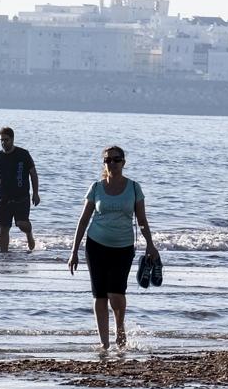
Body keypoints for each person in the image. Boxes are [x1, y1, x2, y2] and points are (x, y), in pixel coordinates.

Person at [67, 146, 159, 350]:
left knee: (116, 293)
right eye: (108, 160)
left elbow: (142, 220)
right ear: (104, 163)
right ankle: (104, 342)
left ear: (123, 162)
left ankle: (119, 328)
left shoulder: (134, 188)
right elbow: (83, 221)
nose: (112, 164)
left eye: (116, 160)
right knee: (99, 294)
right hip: (95, 245)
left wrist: (150, 245)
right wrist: (74, 251)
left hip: (123, 247)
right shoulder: (96, 187)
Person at [0, 127, 40, 252]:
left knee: (21, 224)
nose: (3, 142)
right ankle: (4, 255)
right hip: (3, 199)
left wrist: (35, 193)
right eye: (1, 140)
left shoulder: (23, 154)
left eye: (6, 140)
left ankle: (29, 233)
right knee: (3, 229)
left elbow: (33, 173)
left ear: (12, 139)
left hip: (21, 198)